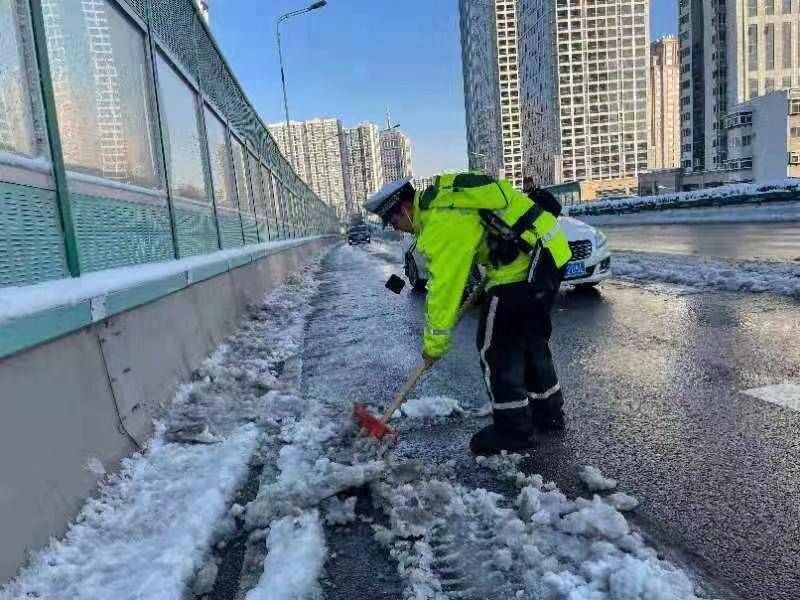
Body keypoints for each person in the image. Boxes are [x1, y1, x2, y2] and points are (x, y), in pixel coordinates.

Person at [364, 173, 572, 455]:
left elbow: (445, 288)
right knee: (530, 340)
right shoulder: (448, 198)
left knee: (496, 348)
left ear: (404, 208)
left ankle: (513, 430)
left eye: (394, 221)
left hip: (523, 269)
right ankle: (548, 412)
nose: (397, 228)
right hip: (547, 253)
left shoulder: (441, 219)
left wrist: (433, 345)